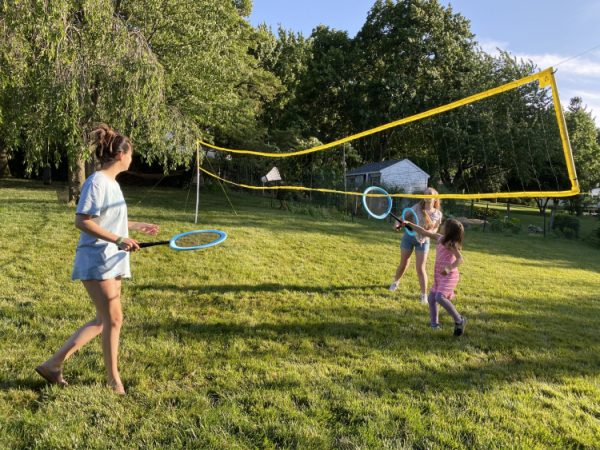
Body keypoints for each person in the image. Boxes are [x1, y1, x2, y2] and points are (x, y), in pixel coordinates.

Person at [35, 124, 159, 394]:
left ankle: (53, 365)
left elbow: (108, 220)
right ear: (120, 155)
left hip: (112, 259)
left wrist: (135, 227)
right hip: (97, 260)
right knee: (113, 319)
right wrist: (118, 240)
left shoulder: (111, 183)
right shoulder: (97, 182)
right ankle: (114, 380)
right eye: (131, 154)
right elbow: (82, 221)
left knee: (104, 320)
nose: (132, 159)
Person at [401, 218, 467, 336]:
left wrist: (449, 268)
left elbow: (460, 259)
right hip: (439, 275)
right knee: (432, 298)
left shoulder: (451, 244)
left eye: (444, 225)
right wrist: (408, 224)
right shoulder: (440, 238)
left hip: (450, 275)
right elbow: (424, 231)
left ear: (449, 230)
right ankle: (434, 325)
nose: (442, 226)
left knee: (439, 297)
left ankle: (459, 320)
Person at [389, 187, 443, 304]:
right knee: (403, 264)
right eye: (425, 194)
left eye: (430, 194)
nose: (427, 196)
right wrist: (397, 224)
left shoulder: (438, 214)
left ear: (435, 198)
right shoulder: (417, 207)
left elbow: (435, 230)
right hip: (409, 238)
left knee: (420, 268)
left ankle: (424, 295)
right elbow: (402, 218)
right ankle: (395, 282)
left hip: (423, 242)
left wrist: (428, 234)